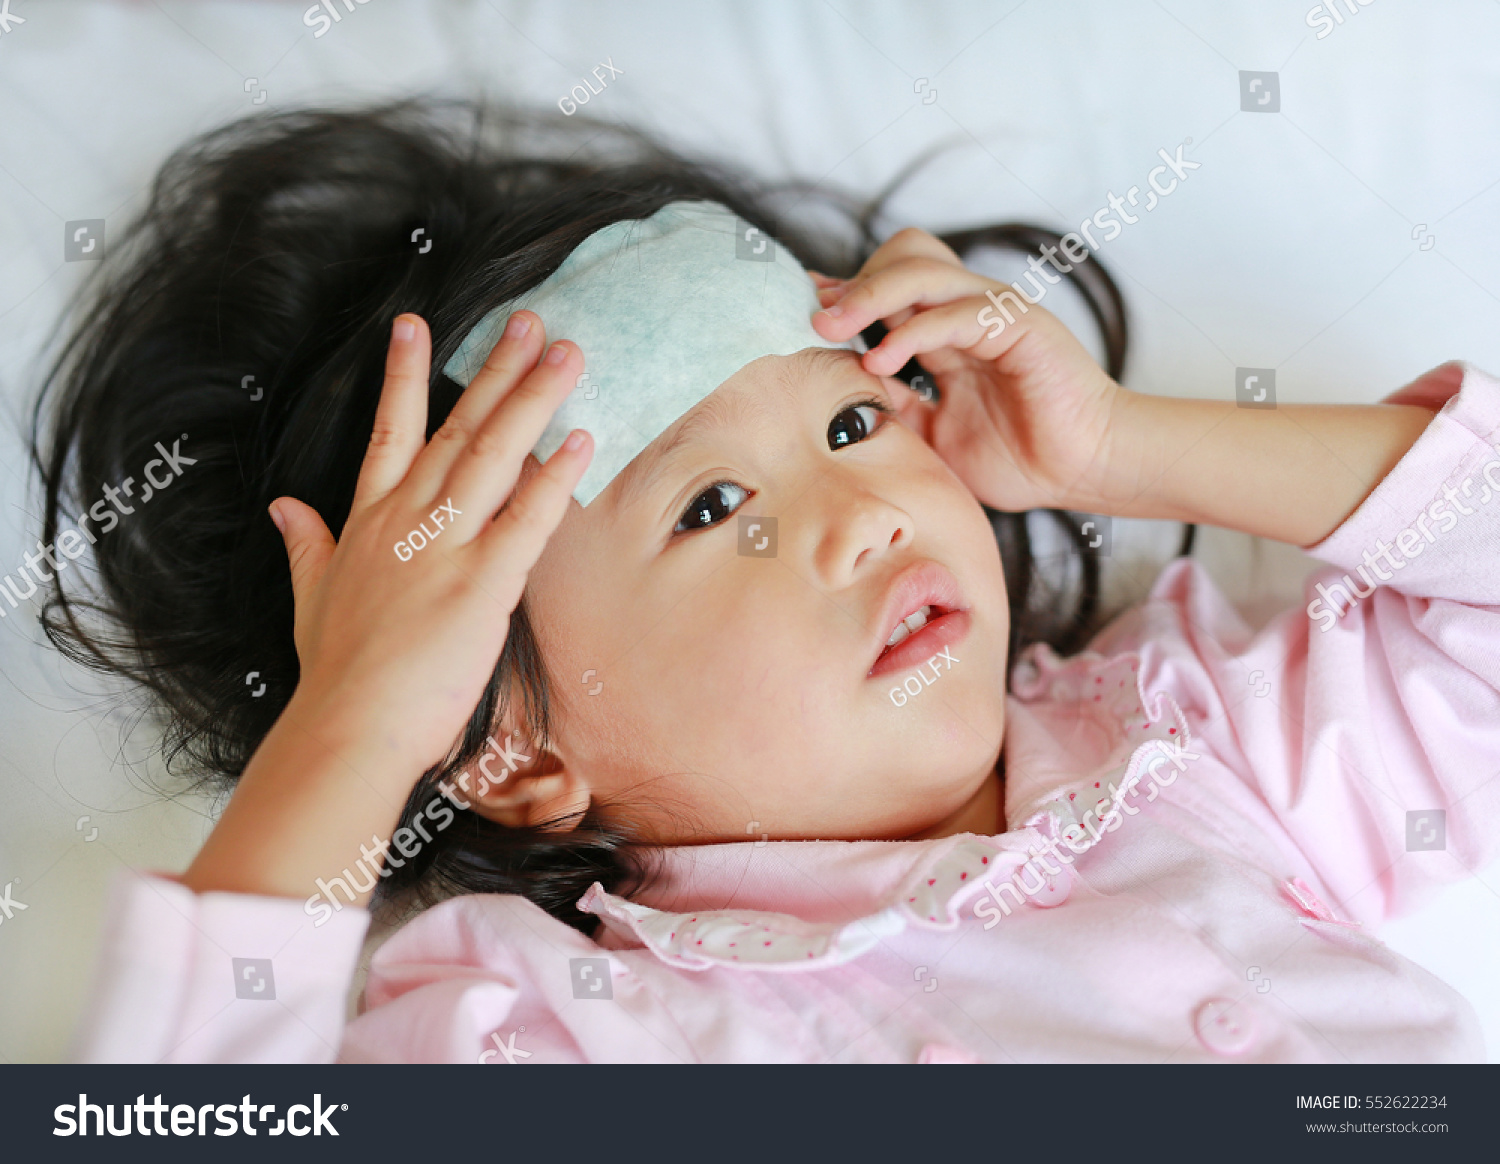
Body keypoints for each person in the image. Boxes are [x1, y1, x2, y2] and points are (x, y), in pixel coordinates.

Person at [34, 98, 1498, 1063]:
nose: (859, 516)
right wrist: (357, 729)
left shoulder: (1193, 739)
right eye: (712, 502)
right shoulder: (561, 1024)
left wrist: (1122, 444)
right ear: (508, 744)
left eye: (855, 424)